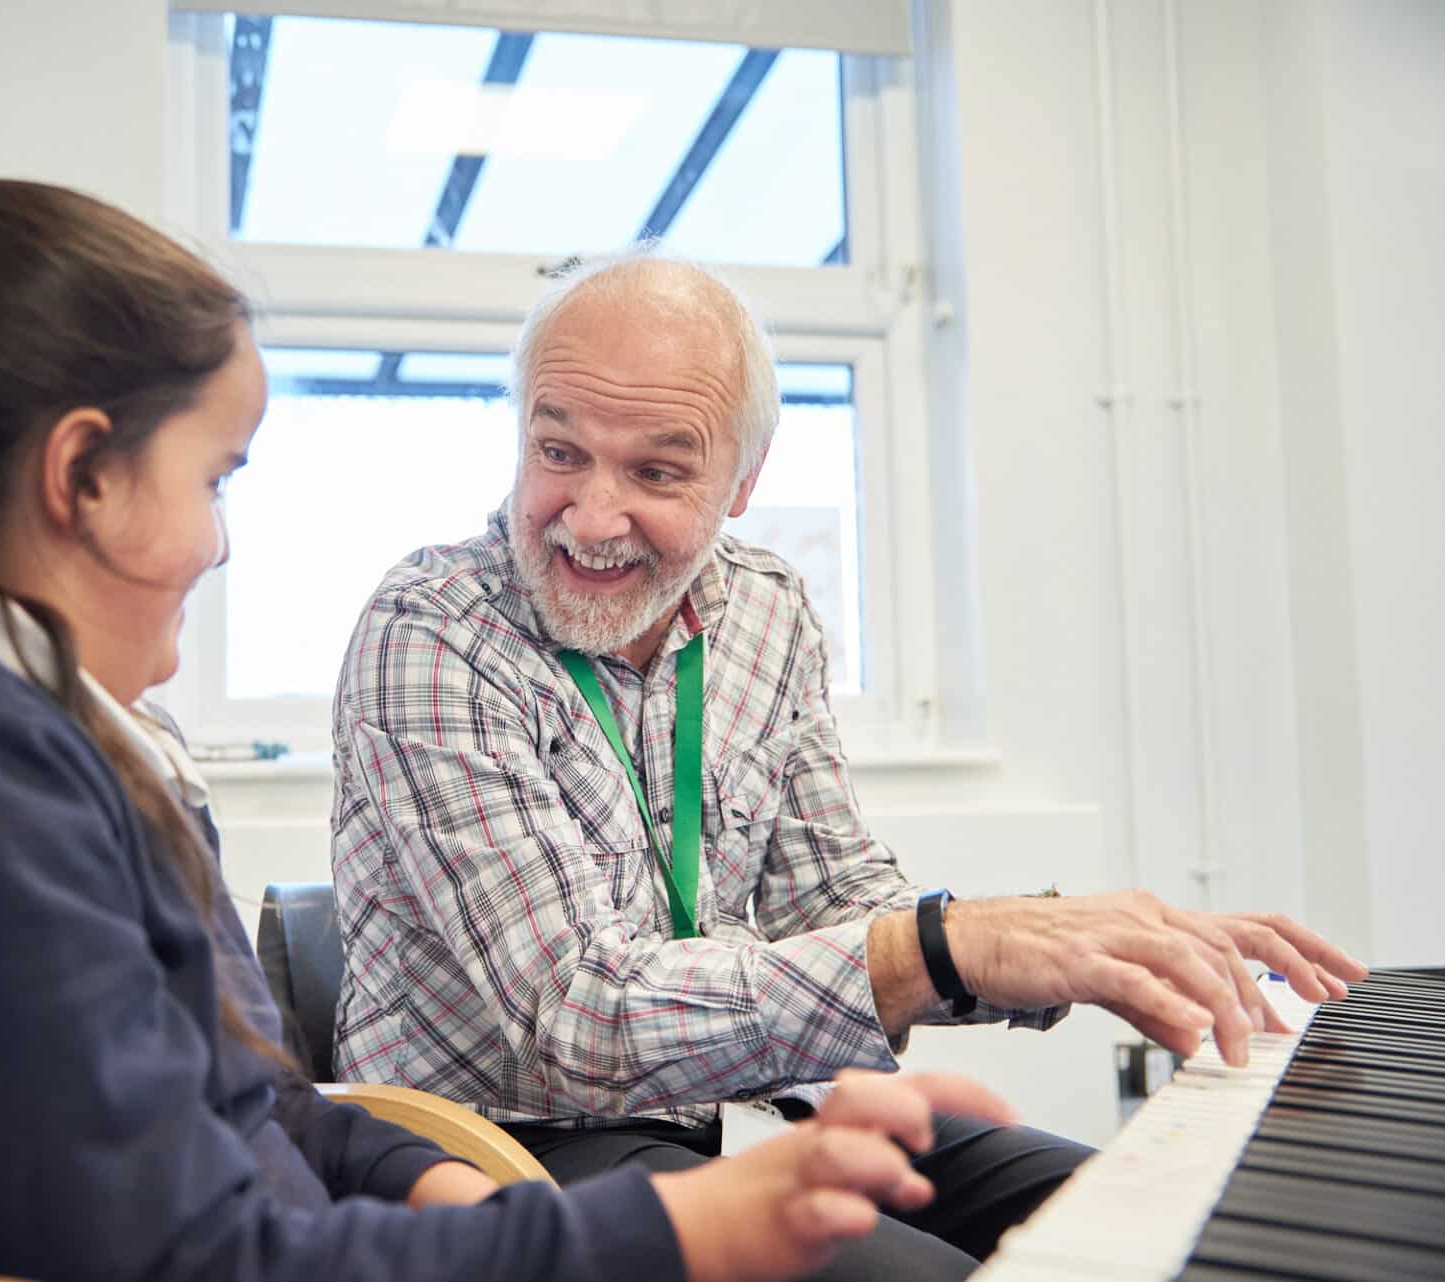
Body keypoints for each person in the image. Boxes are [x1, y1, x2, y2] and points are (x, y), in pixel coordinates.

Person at [0, 162, 1017, 1282]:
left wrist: (430, 1175)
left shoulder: (25, 738)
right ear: (84, 478)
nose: (223, 542)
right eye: (220, 477)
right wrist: (665, 1227)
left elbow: (254, 1101)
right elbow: (203, 1255)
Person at [328, 251, 1371, 1280]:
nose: (592, 516)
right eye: (558, 452)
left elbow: (833, 895)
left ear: (744, 482)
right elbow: (576, 1017)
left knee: (1157, 1226)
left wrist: (1068, 939)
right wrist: (949, 947)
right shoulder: (431, 631)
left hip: (744, 1108)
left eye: (656, 470)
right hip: (520, 1147)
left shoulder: (767, 609)